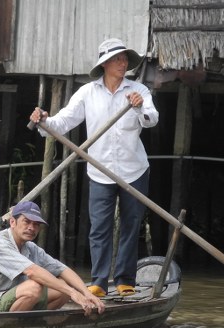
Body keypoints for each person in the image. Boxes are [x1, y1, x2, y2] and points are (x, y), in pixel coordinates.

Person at [29, 38, 159, 298]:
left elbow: (151, 119)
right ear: (105, 64)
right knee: (99, 228)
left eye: (125, 59)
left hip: (134, 171)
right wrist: (44, 121)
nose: (123, 64)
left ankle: (124, 280)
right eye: (118, 59)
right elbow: (63, 121)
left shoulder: (138, 90)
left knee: (130, 226)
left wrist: (139, 106)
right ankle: (99, 281)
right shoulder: (88, 92)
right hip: (100, 171)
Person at [0, 201, 106, 315]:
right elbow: (32, 271)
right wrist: (73, 293)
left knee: (63, 286)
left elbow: (61, 269)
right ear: (12, 222)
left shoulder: (30, 247)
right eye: (26, 222)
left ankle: (33, 322)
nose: (31, 228)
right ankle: (13, 326)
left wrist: (86, 293)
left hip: (11, 300)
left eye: (36, 225)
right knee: (34, 287)